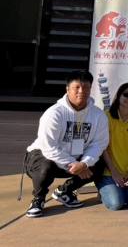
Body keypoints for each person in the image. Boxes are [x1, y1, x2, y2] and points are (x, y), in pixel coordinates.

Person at [24, 71, 109, 218]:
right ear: (67, 89)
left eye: (86, 88)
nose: (82, 91)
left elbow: (99, 144)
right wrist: (74, 165)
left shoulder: (98, 115)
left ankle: (65, 191)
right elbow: (48, 147)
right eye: (77, 87)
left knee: (100, 163)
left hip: (76, 160)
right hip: (43, 157)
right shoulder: (54, 113)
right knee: (46, 165)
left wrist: (84, 163)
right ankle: (38, 198)